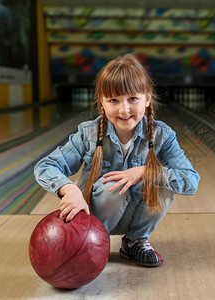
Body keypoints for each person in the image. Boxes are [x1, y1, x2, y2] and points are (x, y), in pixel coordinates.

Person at [34, 54, 200, 267]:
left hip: (134, 216)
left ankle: (135, 242)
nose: (124, 110)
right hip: (93, 218)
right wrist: (70, 190)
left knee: (159, 181)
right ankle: (92, 243)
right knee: (113, 186)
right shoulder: (89, 134)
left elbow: (191, 180)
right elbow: (46, 166)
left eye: (132, 99)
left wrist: (145, 172)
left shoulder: (162, 136)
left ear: (147, 99)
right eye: (114, 100)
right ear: (102, 102)